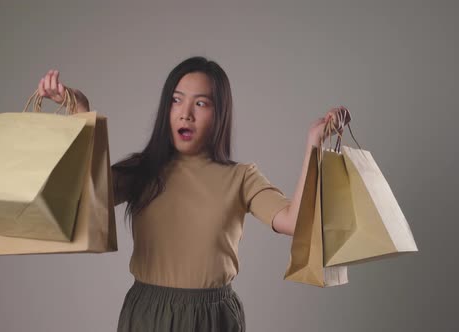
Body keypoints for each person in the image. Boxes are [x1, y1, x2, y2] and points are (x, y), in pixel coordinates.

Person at [37, 57, 347, 331]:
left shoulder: (241, 177)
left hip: (214, 318)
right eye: (176, 100)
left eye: (201, 103)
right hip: (148, 316)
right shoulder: (141, 171)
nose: (185, 114)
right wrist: (80, 110)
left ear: (219, 113)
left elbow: (294, 221)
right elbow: (87, 195)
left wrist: (314, 144)